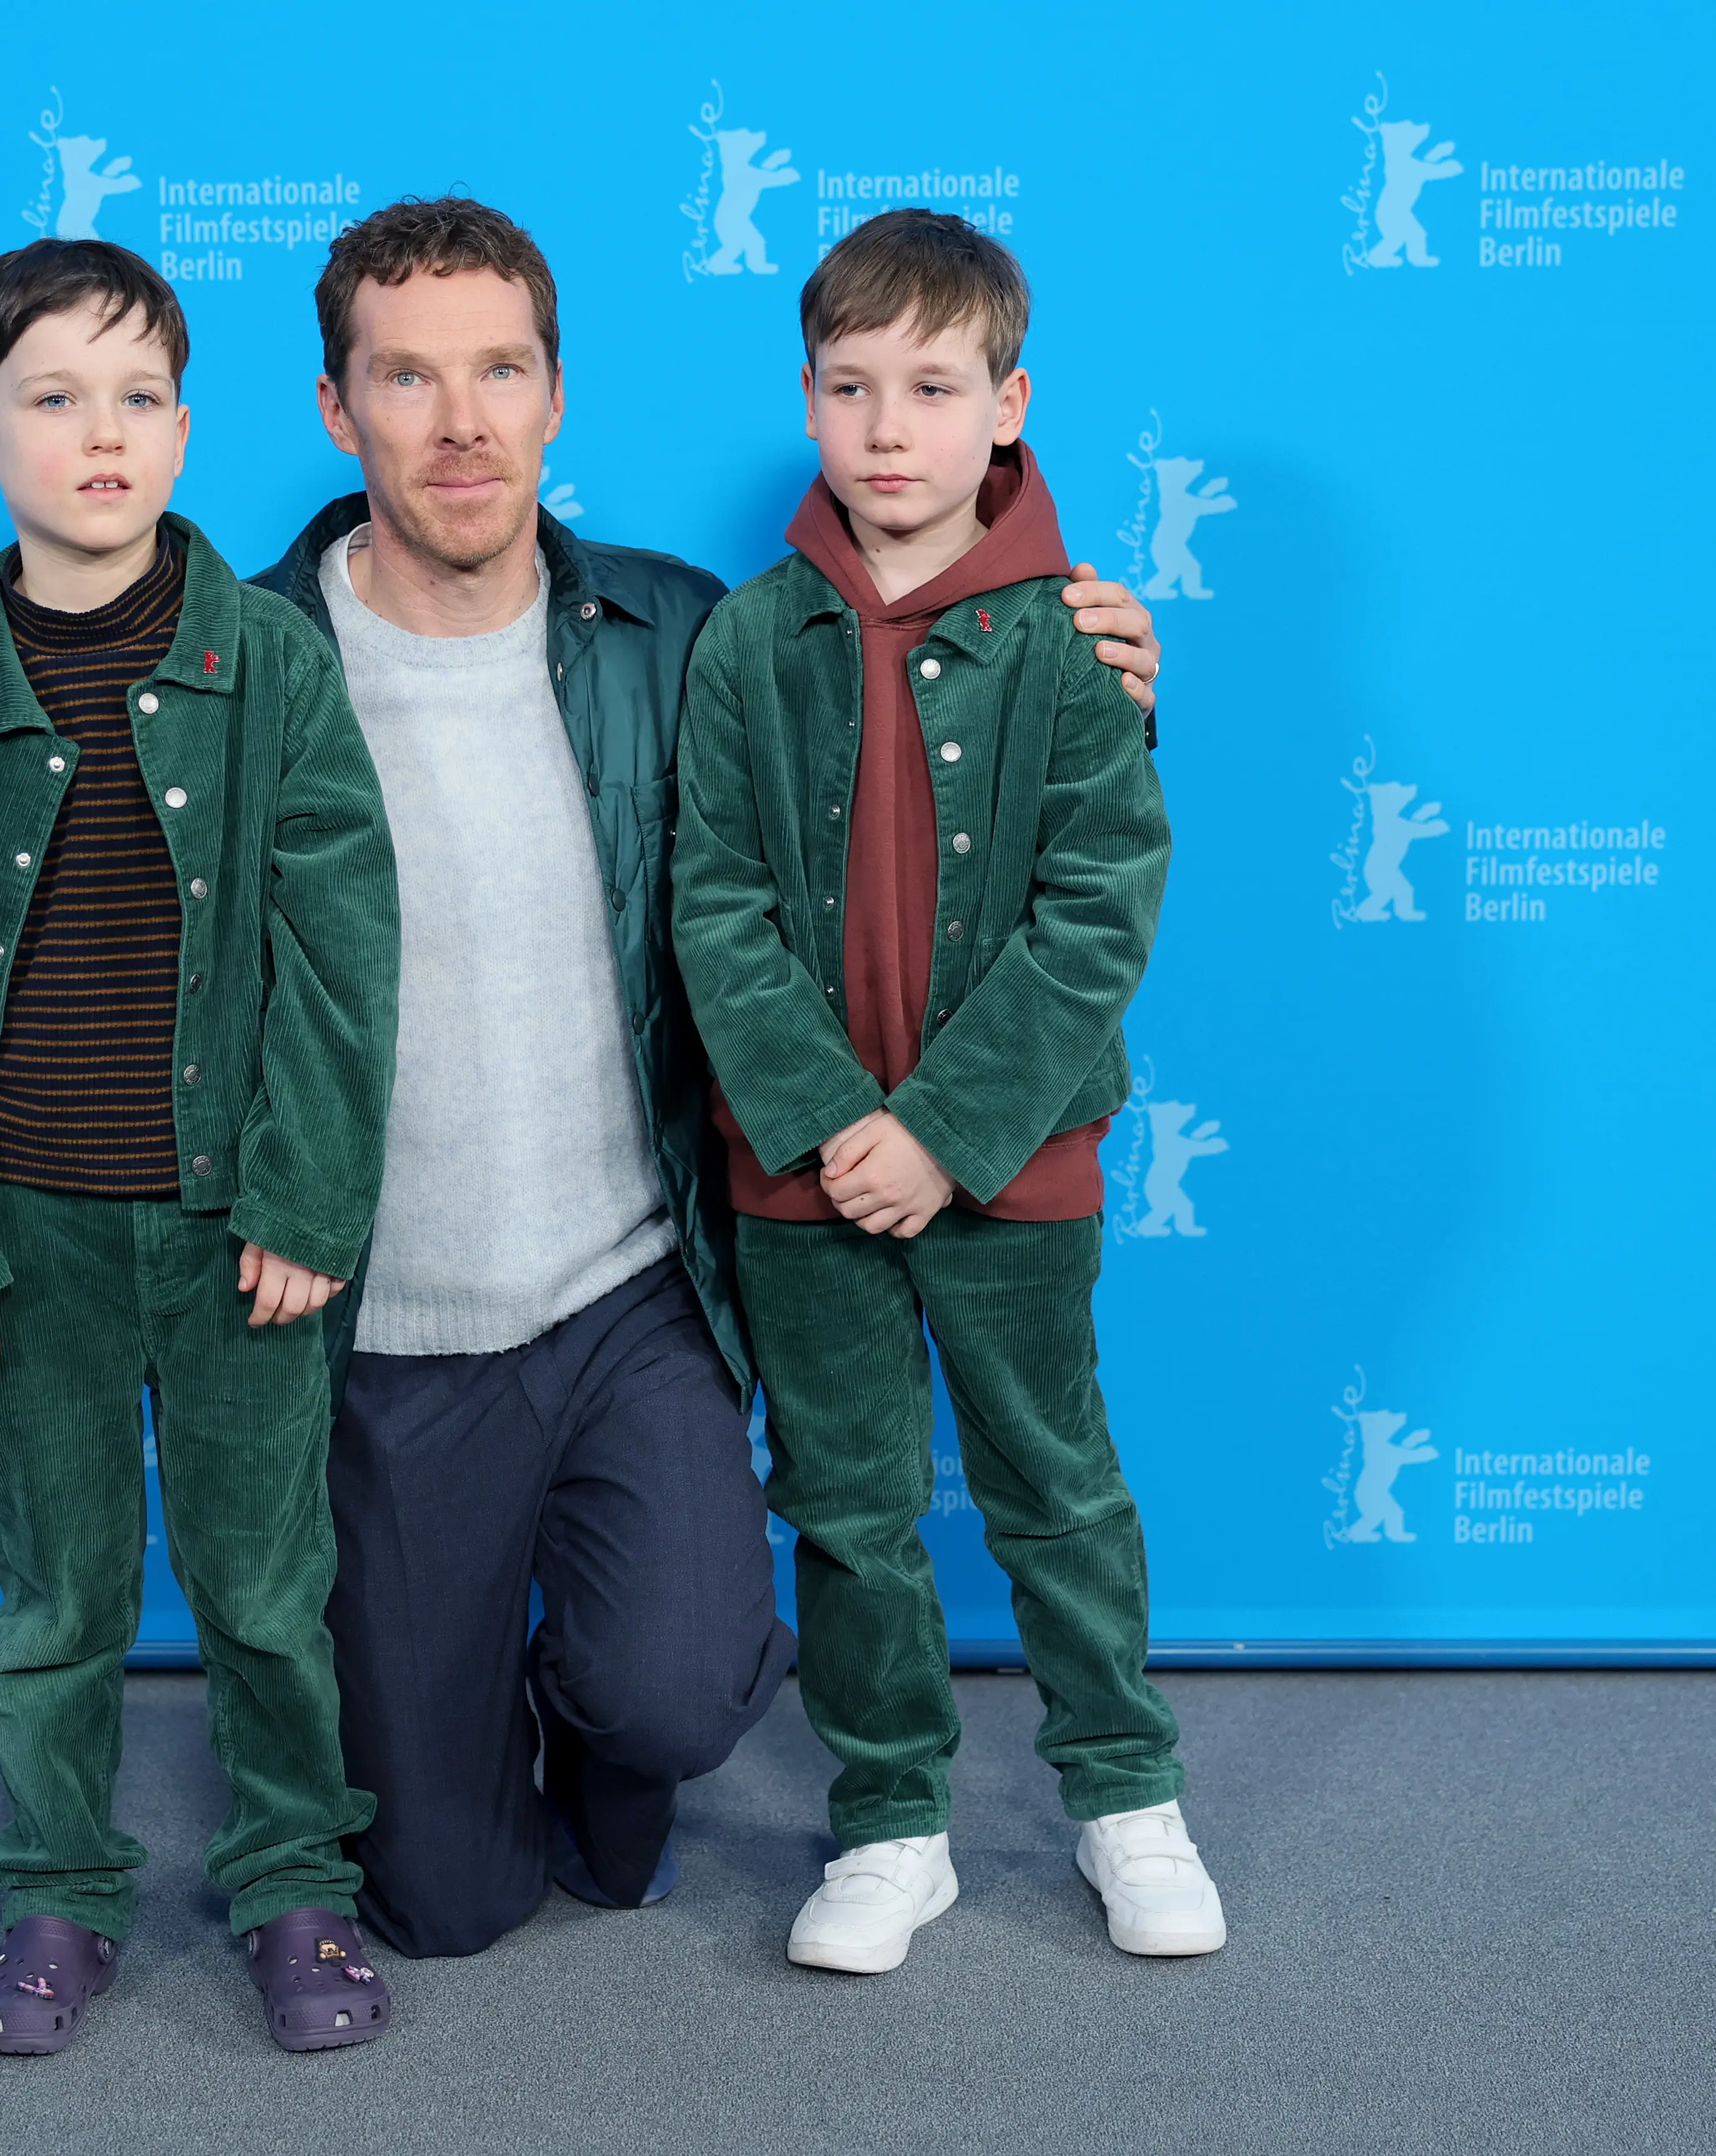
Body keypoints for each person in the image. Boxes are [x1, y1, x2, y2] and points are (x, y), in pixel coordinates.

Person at [0, 199, 1166, 1960]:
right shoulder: (233, 650)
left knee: (676, 1693)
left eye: (498, 372)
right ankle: (466, 1700)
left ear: (551, 398)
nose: (458, 421)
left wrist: (1098, 680)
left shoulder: (686, 634)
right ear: (329, 410)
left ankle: (615, 1680)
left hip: (622, 1295)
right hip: (362, 1319)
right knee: (440, 1898)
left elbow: (899, 764)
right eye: (406, 376)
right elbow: (23, 855)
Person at [0, 236, 403, 2055]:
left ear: (184, 427)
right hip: (30, 1238)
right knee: (58, 1594)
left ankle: (295, 1882)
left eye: (140, 397)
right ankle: (58, 1894)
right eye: (53, 400)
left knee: (261, 1585)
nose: (101, 435)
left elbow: (343, 953)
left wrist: (311, 1194)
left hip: (240, 1226)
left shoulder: (278, 667)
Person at [673, 209, 1224, 1974]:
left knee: (1052, 1480)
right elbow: (714, 900)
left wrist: (948, 1130)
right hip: (802, 1175)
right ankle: (890, 1817)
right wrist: (835, 1123)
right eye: (848, 387)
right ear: (808, 403)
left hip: (1014, 1163)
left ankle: (1124, 1798)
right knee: (841, 1501)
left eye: (931, 385)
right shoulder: (751, 640)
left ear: (1008, 404)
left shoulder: (1076, 643)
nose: (887, 426)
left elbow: (1097, 910)